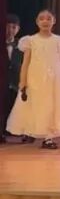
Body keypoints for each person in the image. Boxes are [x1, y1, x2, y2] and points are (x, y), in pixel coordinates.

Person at [5, 9, 60, 150]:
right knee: (37, 105)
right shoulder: (30, 41)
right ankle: (34, 131)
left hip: (55, 78)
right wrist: (23, 81)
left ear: (54, 21)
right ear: (37, 22)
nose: (45, 21)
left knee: (53, 106)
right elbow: (25, 63)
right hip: (35, 77)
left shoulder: (59, 41)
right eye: (42, 18)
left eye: (48, 18)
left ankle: (49, 137)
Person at [2, 14, 28, 145]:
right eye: (7, 27)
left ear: (18, 29)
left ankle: (23, 132)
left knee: (20, 106)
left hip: (17, 83)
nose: (10, 30)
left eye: (14, 27)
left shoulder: (22, 46)